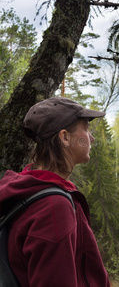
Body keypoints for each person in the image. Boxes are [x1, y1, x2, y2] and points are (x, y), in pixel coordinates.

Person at [0, 97, 111, 287]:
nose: (91, 137)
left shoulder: (27, 185)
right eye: (85, 128)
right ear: (65, 137)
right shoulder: (53, 208)